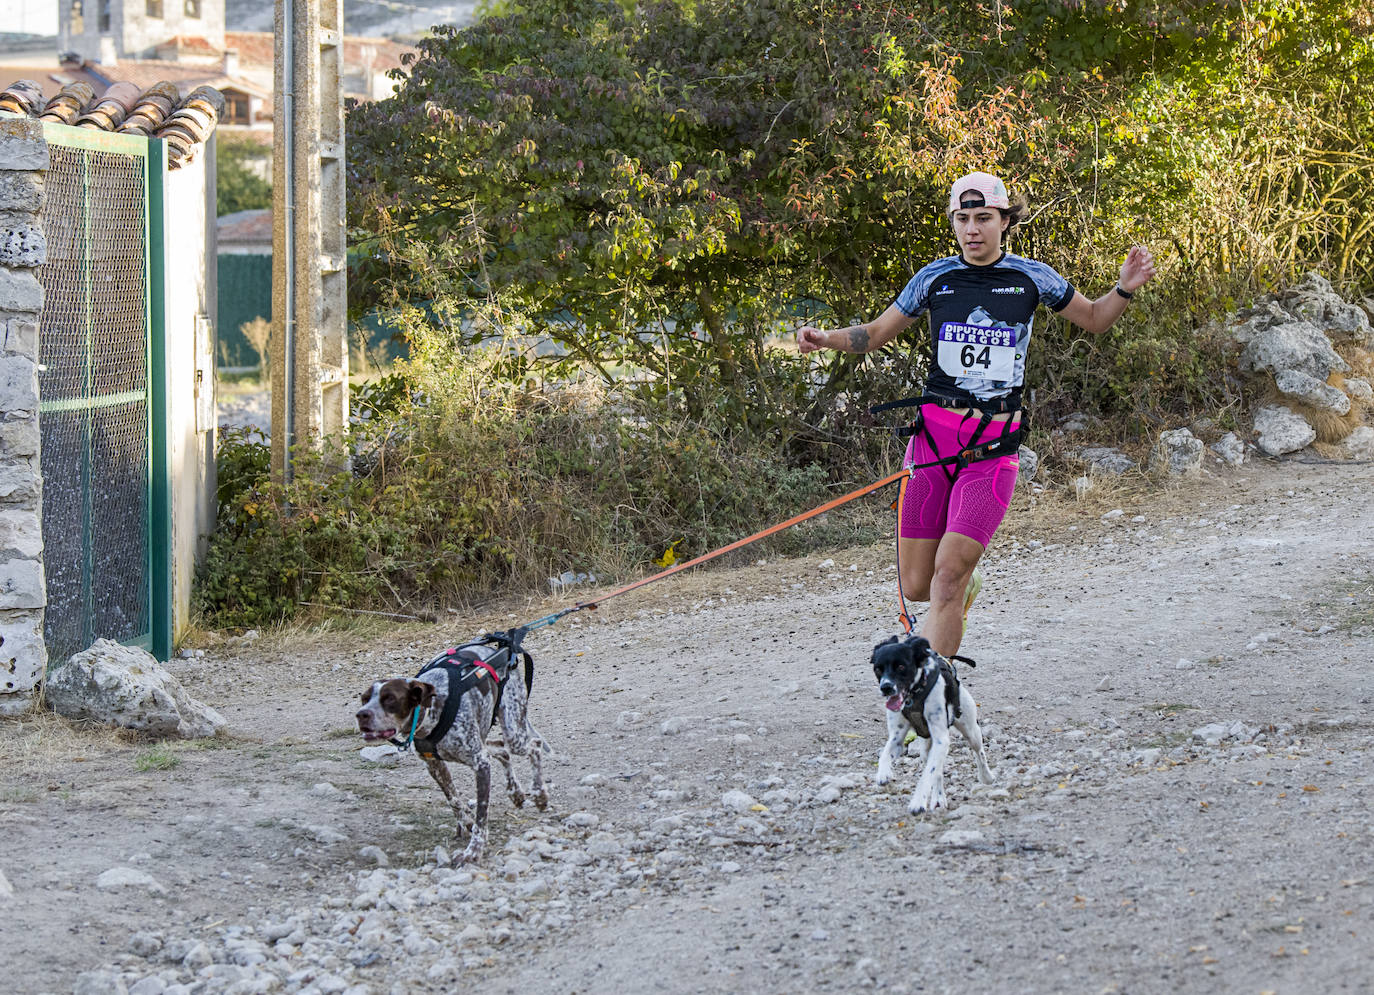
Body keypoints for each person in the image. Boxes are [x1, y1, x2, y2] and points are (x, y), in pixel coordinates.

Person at [796, 171, 1156, 657]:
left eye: (983, 218)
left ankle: (928, 696)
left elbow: (1094, 319)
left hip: (992, 450)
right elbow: (876, 333)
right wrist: (825, 338)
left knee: (946, 579)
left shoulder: (1032, 277)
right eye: (962, 218)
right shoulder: (934, 278)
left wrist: (1124, 289)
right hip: (932, 443)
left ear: (1005, 221)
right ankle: (964, 586)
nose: (972, 229)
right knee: (919, 583)